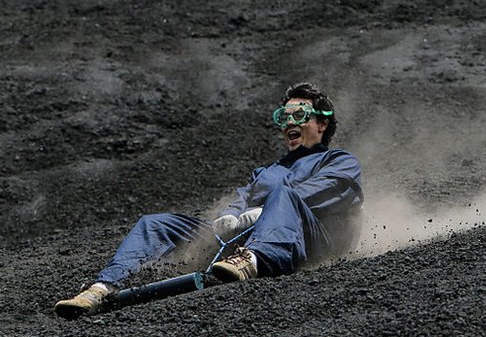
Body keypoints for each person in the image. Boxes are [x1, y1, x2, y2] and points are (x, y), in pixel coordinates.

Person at [54, 82, 365, 319]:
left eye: (299, 115)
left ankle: (253, 259)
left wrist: (270, 210)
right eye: (283, 117)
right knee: (156, 223)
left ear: (322, 123)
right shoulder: (266, 171)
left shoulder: (339, 160)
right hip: (251, 237)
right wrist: (230, 215)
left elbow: (330, 191)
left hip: (307, 240)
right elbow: (243, 198)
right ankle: (102, 288)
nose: (289, 123)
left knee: (284, 196)